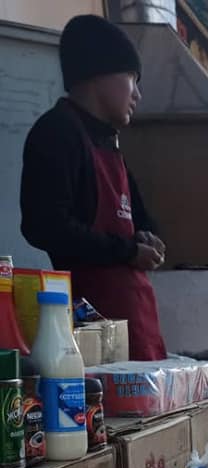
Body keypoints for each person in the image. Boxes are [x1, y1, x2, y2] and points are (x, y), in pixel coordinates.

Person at [21, 15, 166, 361]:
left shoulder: (109, 143)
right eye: (132, 79)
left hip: (138, 327)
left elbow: (142, 221)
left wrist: (149, 240)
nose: (137, 94)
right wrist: (126, 251)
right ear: (100, 73)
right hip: (89, 334)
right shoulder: (57, 133)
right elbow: (45, 226)